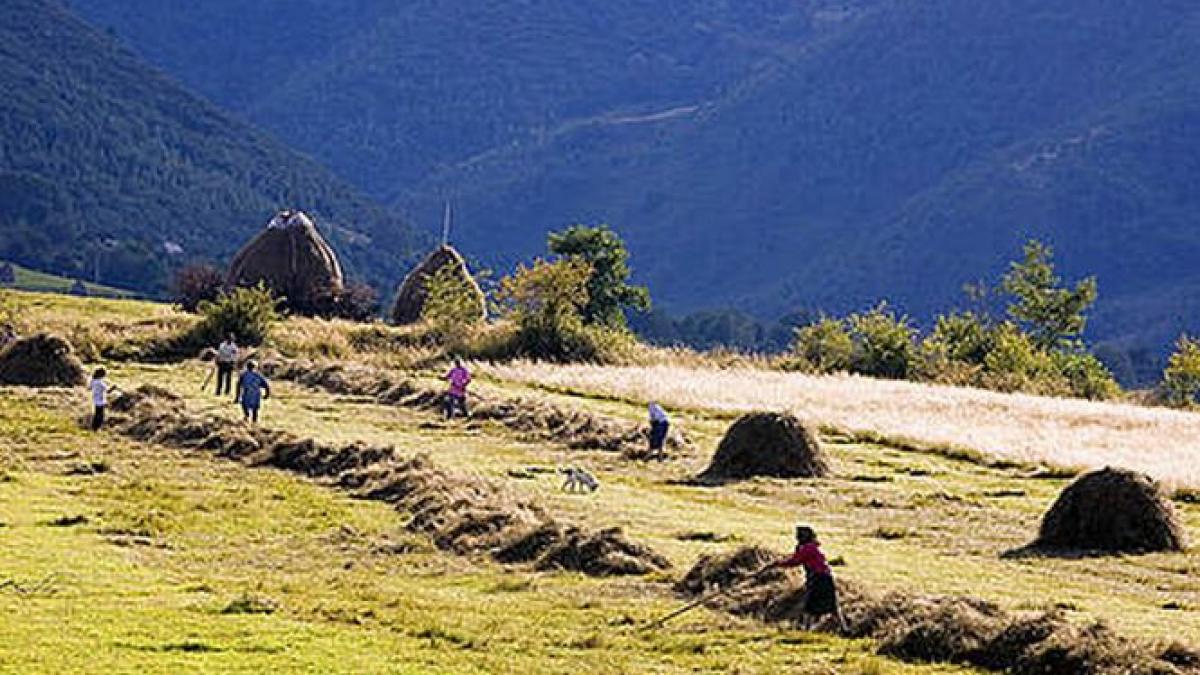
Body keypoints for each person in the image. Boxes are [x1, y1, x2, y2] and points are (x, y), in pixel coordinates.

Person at [771, 525, 848, 633]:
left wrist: (779, 564)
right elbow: (797, 557)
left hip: (818, 579)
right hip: (826, 578)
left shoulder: (808, 548)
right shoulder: (812, 547)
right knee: (832, 606)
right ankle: (844, 628)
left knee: (811, 606)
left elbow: (795, 561)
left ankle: (806, 630)